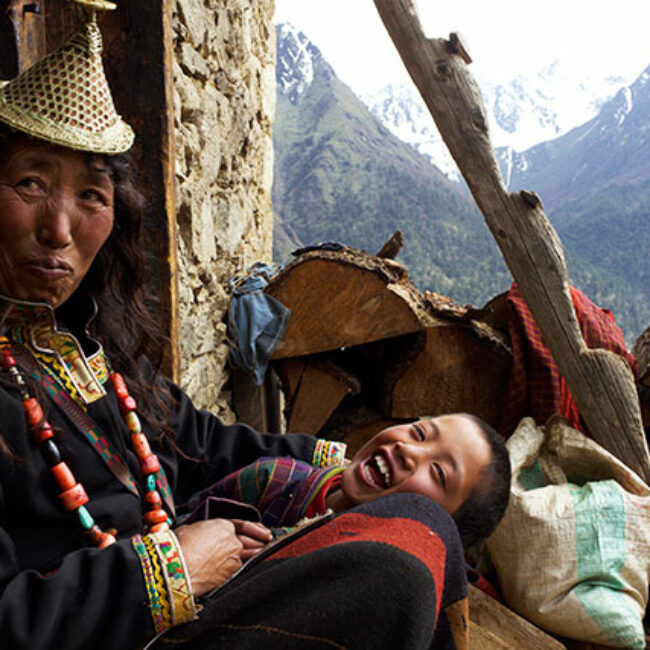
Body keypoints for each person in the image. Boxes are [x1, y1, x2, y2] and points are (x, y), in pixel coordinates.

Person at [0, 7, 475, 650]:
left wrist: (345, 467)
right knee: (392, 575)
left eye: (90, 196)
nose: (60, 230)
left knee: (422, 524)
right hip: (125, 627)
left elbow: (204, 446)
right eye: (31, 182)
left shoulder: (93, 345)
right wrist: (169, 570)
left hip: (187, 599)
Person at [184, 414, 511, 550]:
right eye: (420, 432)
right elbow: (179, 528)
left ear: (440, 530)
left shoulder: (368, 590)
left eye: (439, 473)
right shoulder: (275, 480)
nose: (408, 449)